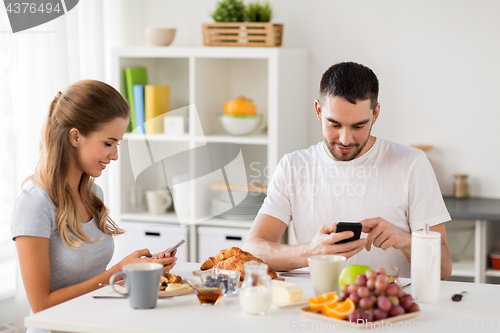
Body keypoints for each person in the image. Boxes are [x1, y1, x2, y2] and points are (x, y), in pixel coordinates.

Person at [243, 62, 452, 279]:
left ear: (376, 114)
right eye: (334, 124)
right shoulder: (292, 166)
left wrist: (407, 242)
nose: (345, 139)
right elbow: (253, 250)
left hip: (390, 307)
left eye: (358, 126)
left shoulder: (412, 164)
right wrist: (310, 252)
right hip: (317, 304)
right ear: (318, 110)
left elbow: (443, 270)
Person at [11, 80, 177, 330]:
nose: (115, 155)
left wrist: (138, 270)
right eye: (108, 143)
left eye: (117, 144)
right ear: (75, 136)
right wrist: (118, 272)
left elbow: (89, 281)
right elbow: (41, 305)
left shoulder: (92, 194)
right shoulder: (34, 203)